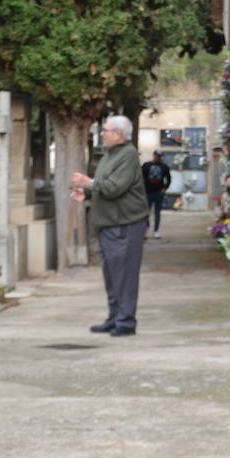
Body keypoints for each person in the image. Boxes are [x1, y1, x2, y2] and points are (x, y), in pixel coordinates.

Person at [71, 115, 149, 337]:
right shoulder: (110, 155)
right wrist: (86, 192)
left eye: (105, 130)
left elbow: (115, 187)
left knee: (124, 274)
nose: (102, 133)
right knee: (112, 274)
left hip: (125, 223)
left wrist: (89, 182)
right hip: (109, 224)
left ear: (117, 133)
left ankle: (126, 322)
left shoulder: (129, 155)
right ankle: (115, 317)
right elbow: (104, 186)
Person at [141, 150, 172, 238]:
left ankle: (156, 231)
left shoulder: (164, 167)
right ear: (154, 155)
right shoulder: (146, 165)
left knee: (157, 213)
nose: (159, 158)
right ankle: (145, 231)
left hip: (158, 193)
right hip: (147, 193)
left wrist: (165, 188)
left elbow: (168, 178)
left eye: (160, 156)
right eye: (157, 156)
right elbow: (140, 177)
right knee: (146, 213)